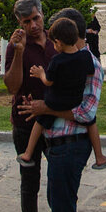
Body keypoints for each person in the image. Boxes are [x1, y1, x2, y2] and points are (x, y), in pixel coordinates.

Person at [17, 7, 103, 212]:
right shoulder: (67, 59)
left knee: (64, 210)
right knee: (58, 202)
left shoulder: (90, 64)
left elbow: (86, 112)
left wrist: (45, 108)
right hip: (59, 145)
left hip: (71, 146)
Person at [2, 0, 54, 212]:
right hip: (25, 124)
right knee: (29, 184)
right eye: (26, 21)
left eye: (36, 18)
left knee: (59, 180)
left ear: (43, 15)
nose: (33, 25)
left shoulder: (56, 40)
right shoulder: (16, 47)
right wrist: (20, 52)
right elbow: (11, 87)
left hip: (57, 122)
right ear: (20, 24)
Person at [17, 17, 92, 168]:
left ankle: (27, 153)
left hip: (56, 101)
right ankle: (99, 155)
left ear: (58, 42)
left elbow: (48, 81)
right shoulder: (85, 56)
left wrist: (40, 73)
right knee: (92, 122)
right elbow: (90, 72)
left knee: (40, 121)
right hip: (75, 99)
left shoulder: (57, 60)